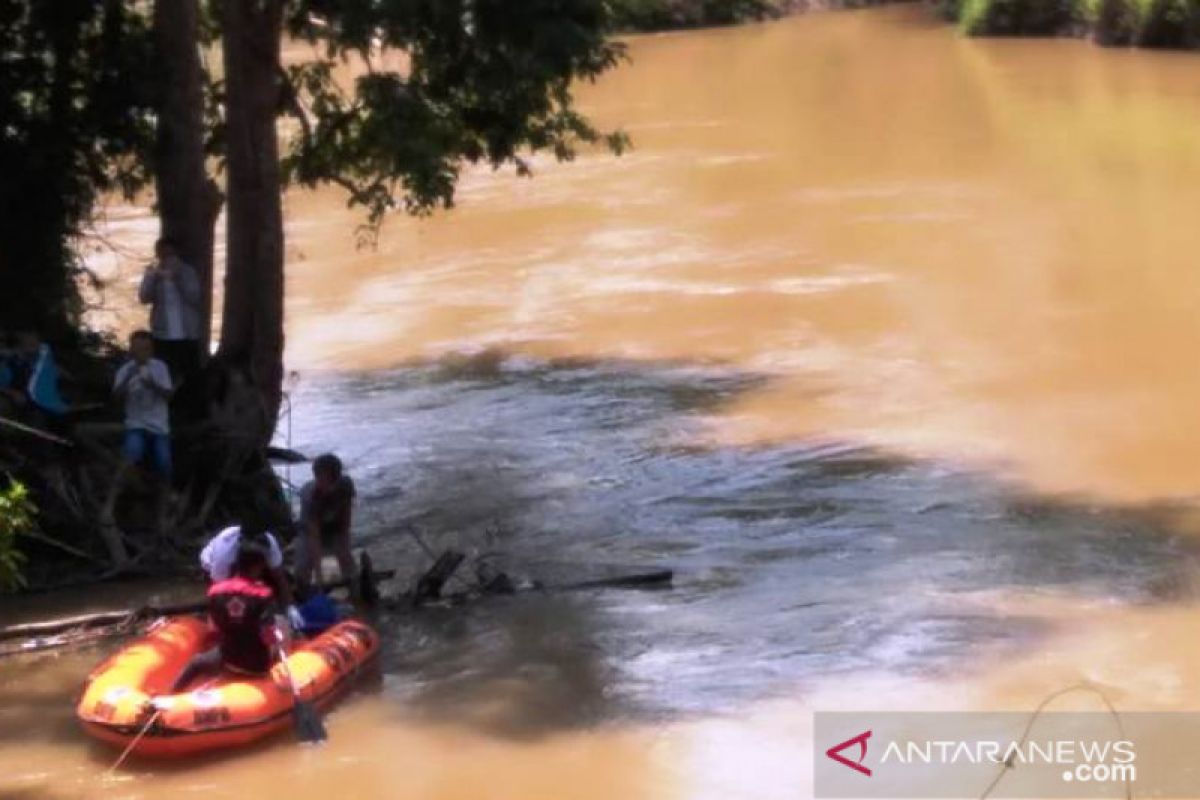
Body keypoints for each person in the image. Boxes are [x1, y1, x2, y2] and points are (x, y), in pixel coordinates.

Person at [170, 534, 283, 692]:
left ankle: (170, 696)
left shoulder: (215, 592)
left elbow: (216, 627)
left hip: (228, 658)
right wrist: (277, 644)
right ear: (258, 567)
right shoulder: (263, 594)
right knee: (282, 631)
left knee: (196, 661)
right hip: (257, 664)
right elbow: (268, 635)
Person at [200, 516, 303, 628]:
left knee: (269, 592)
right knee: (231, 603)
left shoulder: (270, 544)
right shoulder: (225, 553)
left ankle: (277, 615)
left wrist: (291, 607)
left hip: (249, 566)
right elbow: (217, 592)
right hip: (213, 566)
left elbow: (280, 578)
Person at [139, 238, 202, 385]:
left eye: (171, 255)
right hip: (163, 334)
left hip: (188, 334)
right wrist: (151, 278)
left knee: (191, 375)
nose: (167, 260)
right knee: (165, 373)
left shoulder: (187, 272)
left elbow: (194, 297)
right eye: (163, 256)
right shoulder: (154, 273)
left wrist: (177, 277)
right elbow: (144, 298)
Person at [113, 331, 173, 480]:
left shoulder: (160, 367)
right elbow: (115, 398)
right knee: (131, 455)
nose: (142, 353)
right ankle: (132, 491)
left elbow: (169, 396)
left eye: (146, 349)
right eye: (138, 348)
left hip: (159, 425)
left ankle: (164, 494)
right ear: (132, 349)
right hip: (135, 424)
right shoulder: (125, 370)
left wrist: (152, 385)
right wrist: (128, 378)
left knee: (164, 461)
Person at [296, 453, 357, 593]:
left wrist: (344, 549)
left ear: (335, 479)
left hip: (333, 528)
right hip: (309, 531)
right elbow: (313, 536)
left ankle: (354, 589)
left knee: (345, 562)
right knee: (303, 567)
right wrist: (319, 575)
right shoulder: (310, 496)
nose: (319, 483)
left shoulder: (346, 486)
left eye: (323, 480)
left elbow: (345, 522)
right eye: (317, 478)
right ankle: (306, 592)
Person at [0, 329, 68, 423]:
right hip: (25, 406)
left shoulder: (42, 361)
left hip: (48, 406)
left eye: (36, 342)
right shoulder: (9, 364)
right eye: (30, 343)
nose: (36, 346)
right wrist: (12, 393)